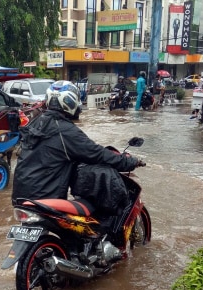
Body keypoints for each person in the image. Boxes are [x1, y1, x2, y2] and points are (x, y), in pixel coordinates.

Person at [11, 80, 144, 203]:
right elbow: (97, 153)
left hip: (19, 197)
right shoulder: (66, 131)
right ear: (70, 102)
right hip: (45, 199)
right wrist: (129, 162)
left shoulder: (35, 122)